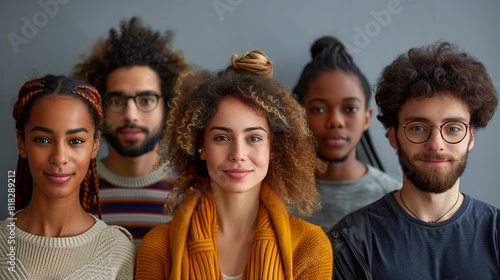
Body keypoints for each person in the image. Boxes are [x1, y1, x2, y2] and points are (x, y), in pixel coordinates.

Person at [135, 50, 333, 279]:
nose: (238, 154)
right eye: (221, 138)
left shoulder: (308, 245)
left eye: (254, 138)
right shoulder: (159, 247)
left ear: (273, 149)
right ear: (200, 146)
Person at [328, 42, 500, 279]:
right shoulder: (352, 241)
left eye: (453, 128)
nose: (436, 143)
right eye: (418, 127)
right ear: (393, 136)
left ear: (470, 137)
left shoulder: (496, 233)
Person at [0, 75, 136, 279]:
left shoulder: (118, 251)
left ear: (95, 144)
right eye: (43, 139)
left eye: (75, 141)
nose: (59, 158)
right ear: (21, 141)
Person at [73, 17, 188, 246]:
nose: (131, 115)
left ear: (168, 105)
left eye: (146, 99)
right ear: (99, 106)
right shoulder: (74, 187)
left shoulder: (192, 190)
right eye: (117, 100)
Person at [293, 36, 400, 230]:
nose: (336, 121)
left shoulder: (395, 200)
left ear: (367, 118)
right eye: (319, 109)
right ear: (300, 116)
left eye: (350, 109)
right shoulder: (279, 198)